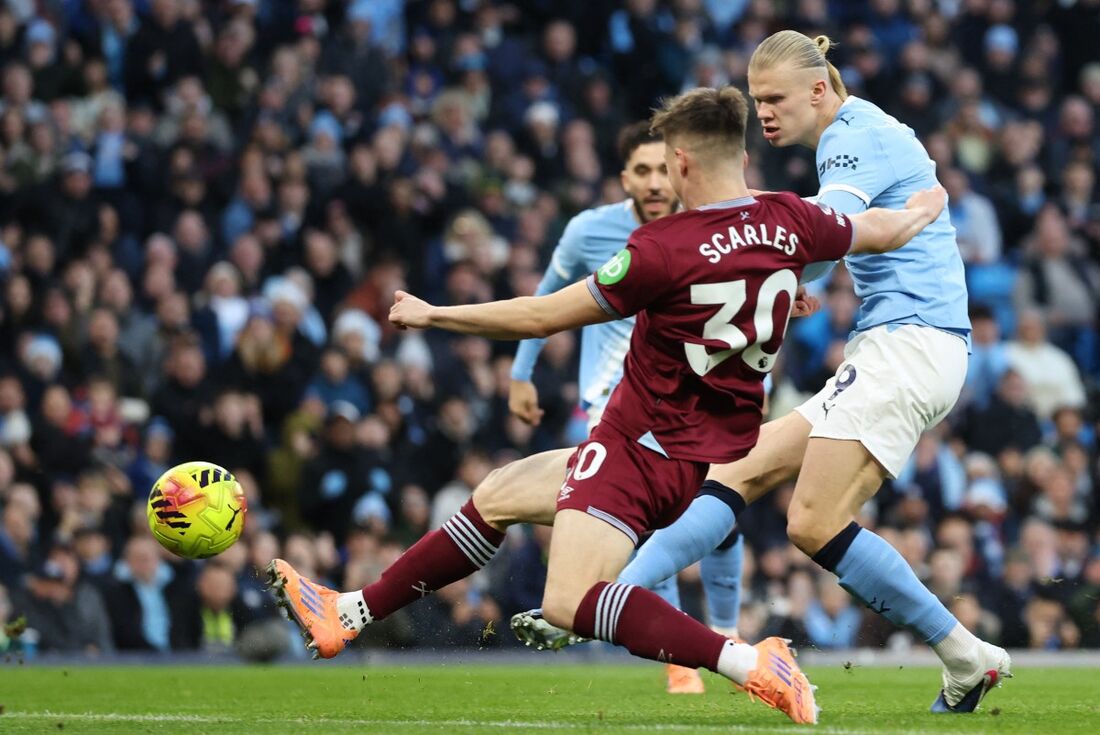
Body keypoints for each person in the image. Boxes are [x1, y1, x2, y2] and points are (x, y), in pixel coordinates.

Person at [267, 85, 946, 725]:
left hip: (637, 445)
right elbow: (880, 229)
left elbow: (540, 316)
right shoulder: (792, 220)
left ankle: (746, 660)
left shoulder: (660, 249)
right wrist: (924, 204)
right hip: (695, 452)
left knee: (567, 600)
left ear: (680, 164)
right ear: (740, 157)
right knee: (501, 492)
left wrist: (436, 313)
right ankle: (348, 613)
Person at [518, 32, 1010, 714]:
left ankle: (963, 653)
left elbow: (820, 225)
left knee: (811, 521)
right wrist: (786, 277)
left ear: (819, 90)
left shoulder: (849, 137)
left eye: (774, 98)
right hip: (897, 345)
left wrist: (773, 275)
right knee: (736, 473)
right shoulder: (865, 131)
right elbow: (812, 241)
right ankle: (610, 596)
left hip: (911, 346)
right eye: (756, 101)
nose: (764, 113)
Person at [507, 120, 743, 694]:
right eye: (642, 171)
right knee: (645, 528)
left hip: (700, 405)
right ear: (624, 179)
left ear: (681, 168)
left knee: (723, 521)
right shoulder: (591, 231)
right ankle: (681, 657)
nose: (655, 182)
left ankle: (726, 633)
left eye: (664, 169)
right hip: (614, 410)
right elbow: (546, 299)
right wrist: (521, 372)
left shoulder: (709, 229)